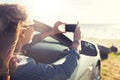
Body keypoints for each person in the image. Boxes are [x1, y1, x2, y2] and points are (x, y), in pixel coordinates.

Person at [0, 3, 81, 80]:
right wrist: (76, 44)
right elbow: (64, 71)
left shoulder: (5, 52)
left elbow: (23, 43)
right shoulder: (19, 65)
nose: (35, 28)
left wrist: (52, 31)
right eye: (33, 24)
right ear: (22, 32)